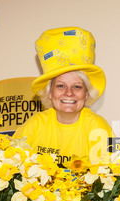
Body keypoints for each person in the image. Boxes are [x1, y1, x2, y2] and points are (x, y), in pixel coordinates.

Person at [13, 27, 113, 166]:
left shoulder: (97, 127)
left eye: (77, 86)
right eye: (61, 86)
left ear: (86, 94)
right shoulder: (35, 125)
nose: (69, 93)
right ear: (49, 92)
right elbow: (11, 163)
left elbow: (107, 176)